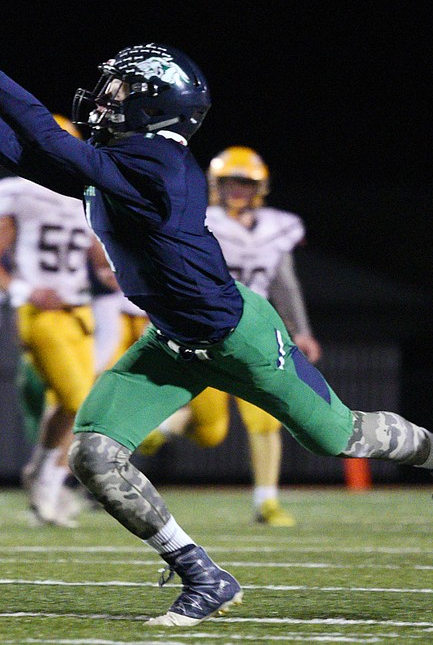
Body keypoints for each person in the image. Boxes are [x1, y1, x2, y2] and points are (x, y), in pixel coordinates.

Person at [0, 0, 433, 627]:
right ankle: (202, 574)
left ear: (156, 103)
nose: (107, 99)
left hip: (237, 335)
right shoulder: (124, 163)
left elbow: (50, 140)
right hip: (170, 343)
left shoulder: (160, 163)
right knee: (94, 456)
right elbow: (26, 158)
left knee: (338, 436)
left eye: (122, 90)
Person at [136, 145, 320, 527]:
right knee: (211, 430)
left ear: (260, 187)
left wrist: (300, 330)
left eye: (245, 183)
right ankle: (164, 427)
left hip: (256, 330)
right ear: (216, 185)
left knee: (268, 416)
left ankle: (266, 502)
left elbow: (285, 285)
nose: (238, 190)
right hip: (207, 330)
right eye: (231, 182)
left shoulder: (277, 226)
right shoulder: (199, 219)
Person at [0, 126, 114, 528]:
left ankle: (40, 475)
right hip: (42, 316)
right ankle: (48, 483)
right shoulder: (20, 195)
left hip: (80, 314)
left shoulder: (82, 198)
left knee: (74, 406)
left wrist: (114, 271)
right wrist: (27, 290)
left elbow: (99, 257)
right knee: (80, 401)